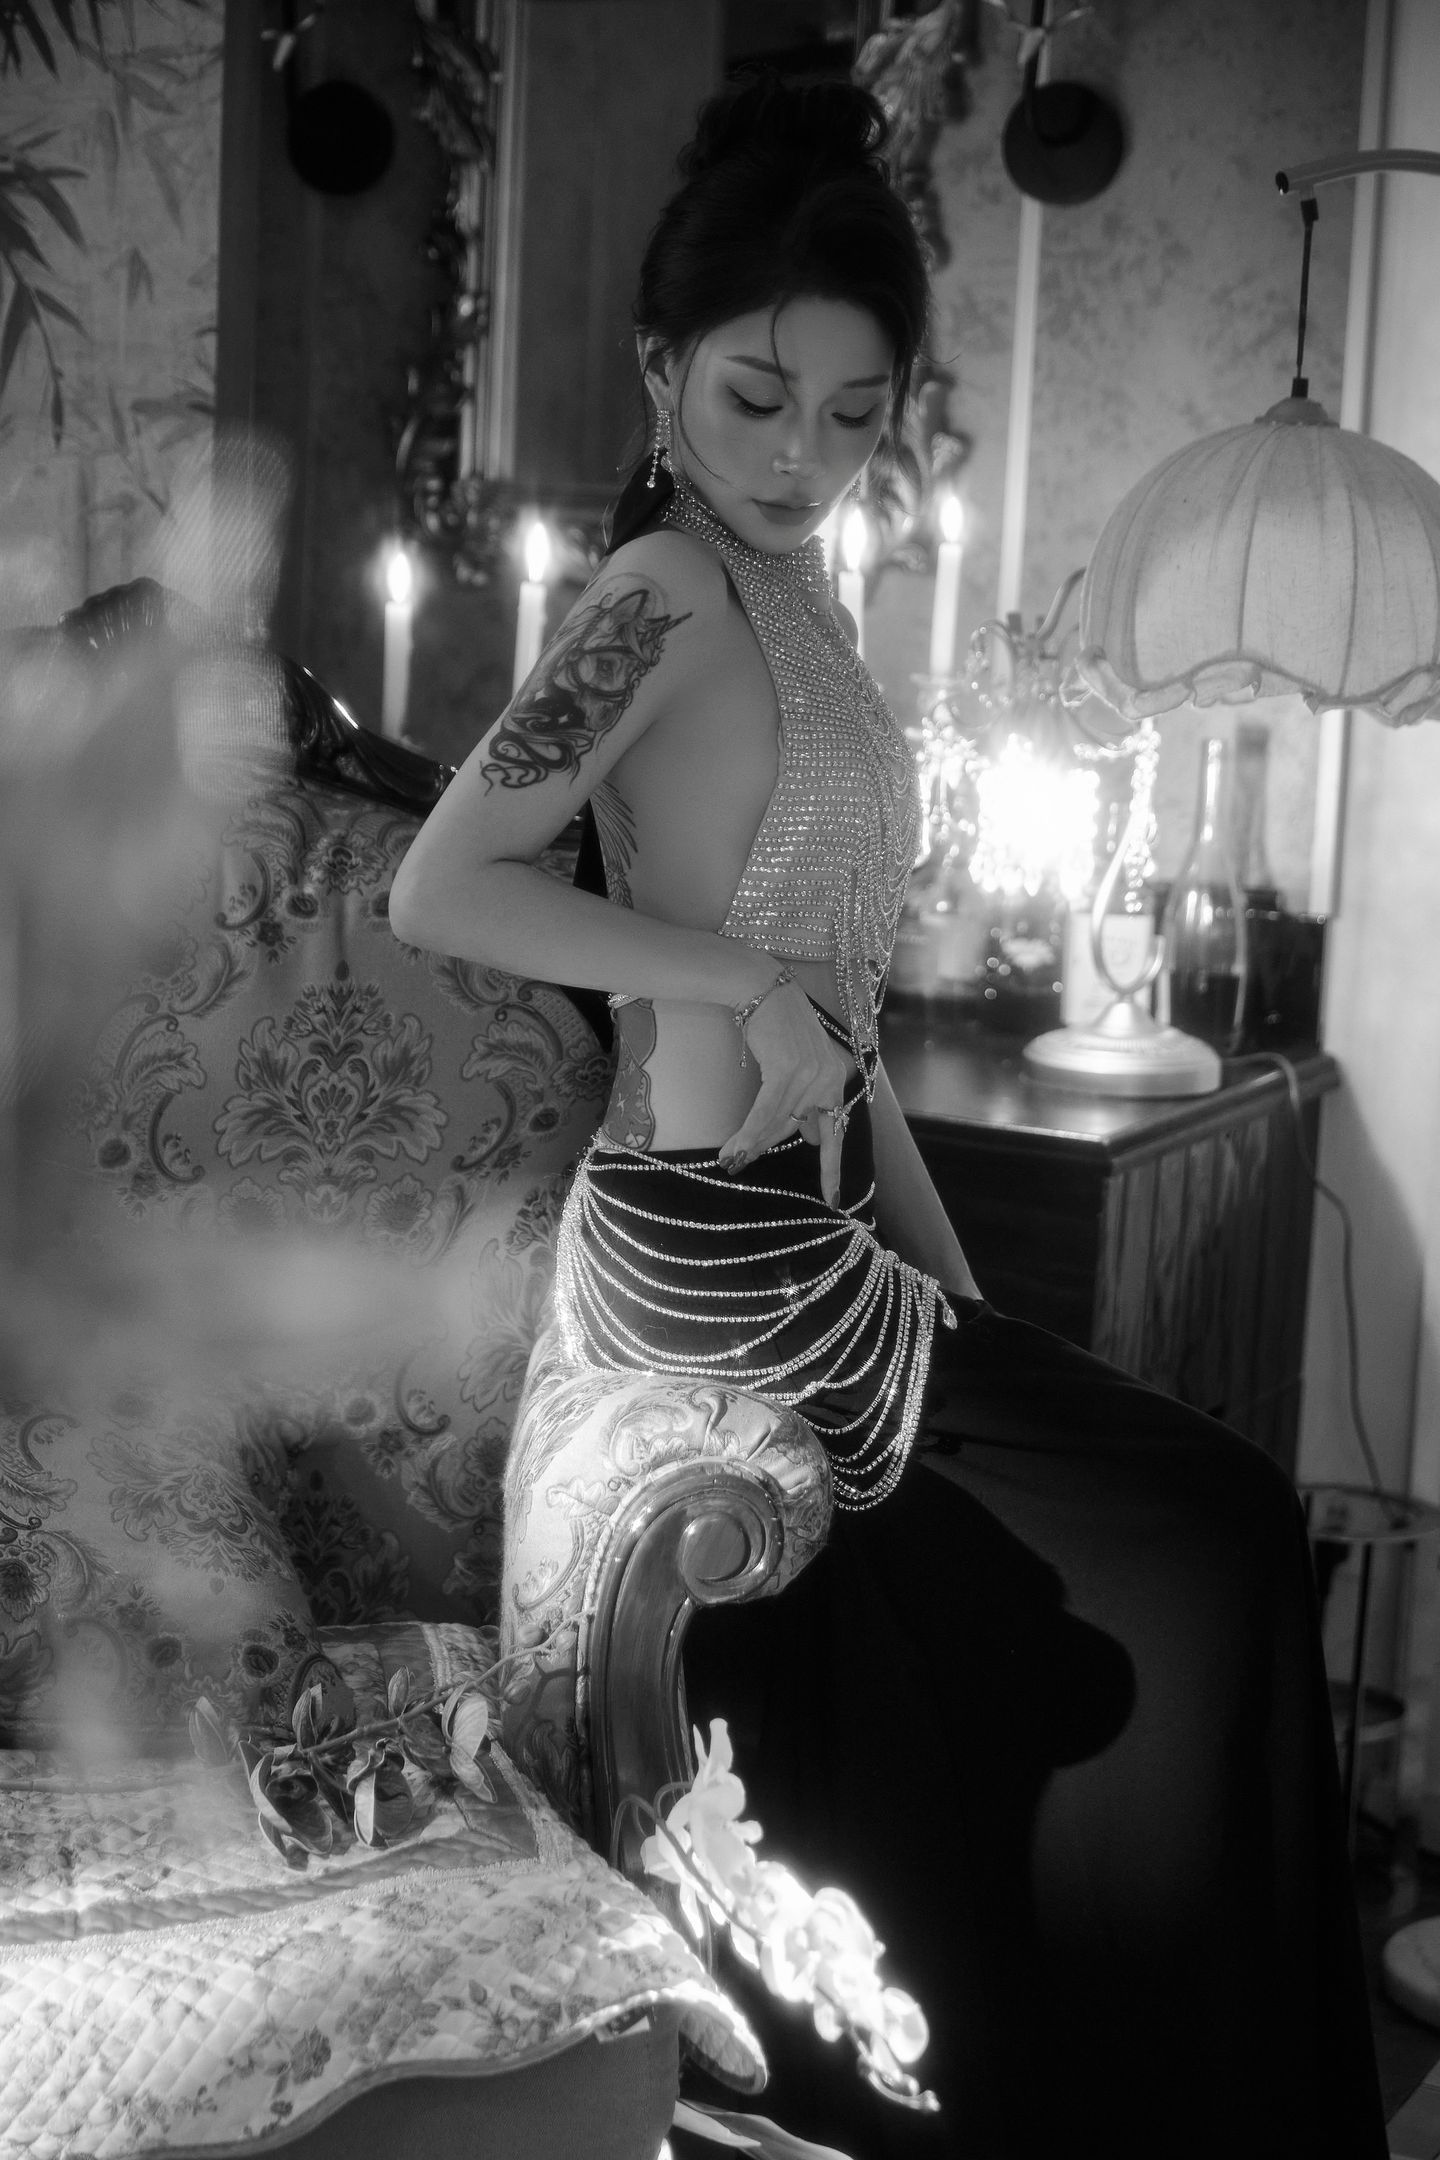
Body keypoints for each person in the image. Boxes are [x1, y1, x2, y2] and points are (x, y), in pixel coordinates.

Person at [388, 75, 1386, 2160]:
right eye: (758, 401)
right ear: (663, 371)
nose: (802, 459)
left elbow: (839, 1024)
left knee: (1157, 1561)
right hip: (704, 1259)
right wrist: (724, 973)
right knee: (1210, 1541)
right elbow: (441, 882)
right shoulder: (659, 591)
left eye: (853, 417)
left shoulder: (807, 610)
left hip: (818, 1242)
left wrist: (951, 1280)